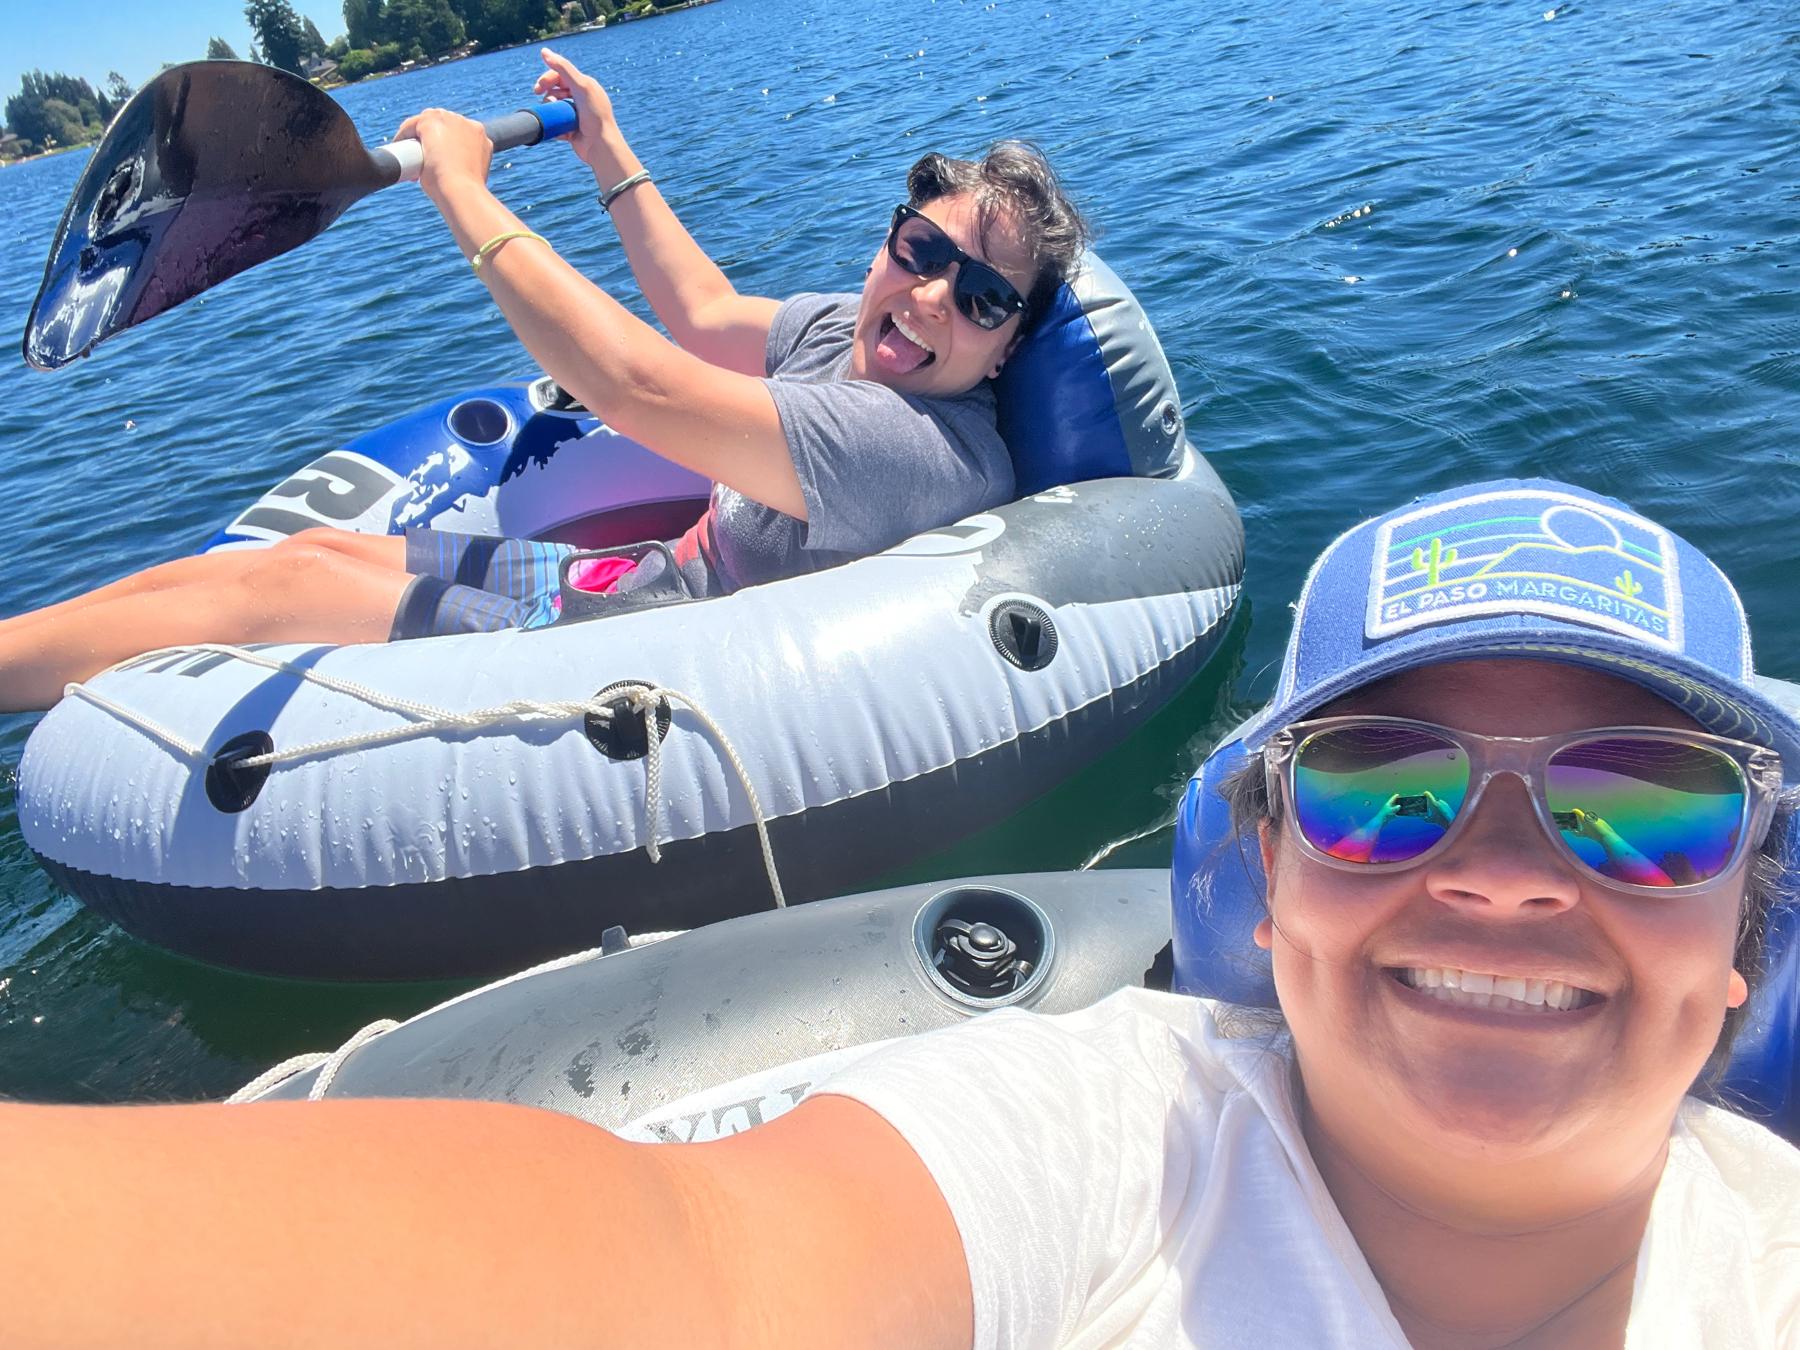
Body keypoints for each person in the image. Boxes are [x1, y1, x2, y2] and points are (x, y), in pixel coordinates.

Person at [4, 478, 1796, 1348]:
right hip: (601, 594)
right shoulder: (1119, 1133)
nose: (1492, 870)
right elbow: (700, 1267)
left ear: (1744, 939)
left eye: (1645, 804)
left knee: (288, 581)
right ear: (1266, 873)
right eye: (1378, 785)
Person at [0, 49, 1089, 713]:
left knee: (271, 597)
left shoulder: (925, 447)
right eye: (922, 251)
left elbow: (637, 388)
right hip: (622, 583)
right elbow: (702, 313)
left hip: (652, 664)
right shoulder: (840, 340)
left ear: (1007, 348)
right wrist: (607, 154)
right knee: (308, 554)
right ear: (891, 242)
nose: (935, 296)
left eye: (985, 299)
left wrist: (462, 192)